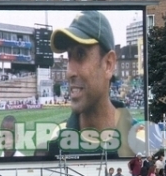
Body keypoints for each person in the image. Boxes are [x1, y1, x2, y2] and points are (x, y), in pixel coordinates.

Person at [36, 11, 135, 158]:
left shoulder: (141, 141)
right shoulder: (52, 147)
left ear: (108, 64)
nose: (69, 72)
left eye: (80, 55)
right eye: (69, 57)